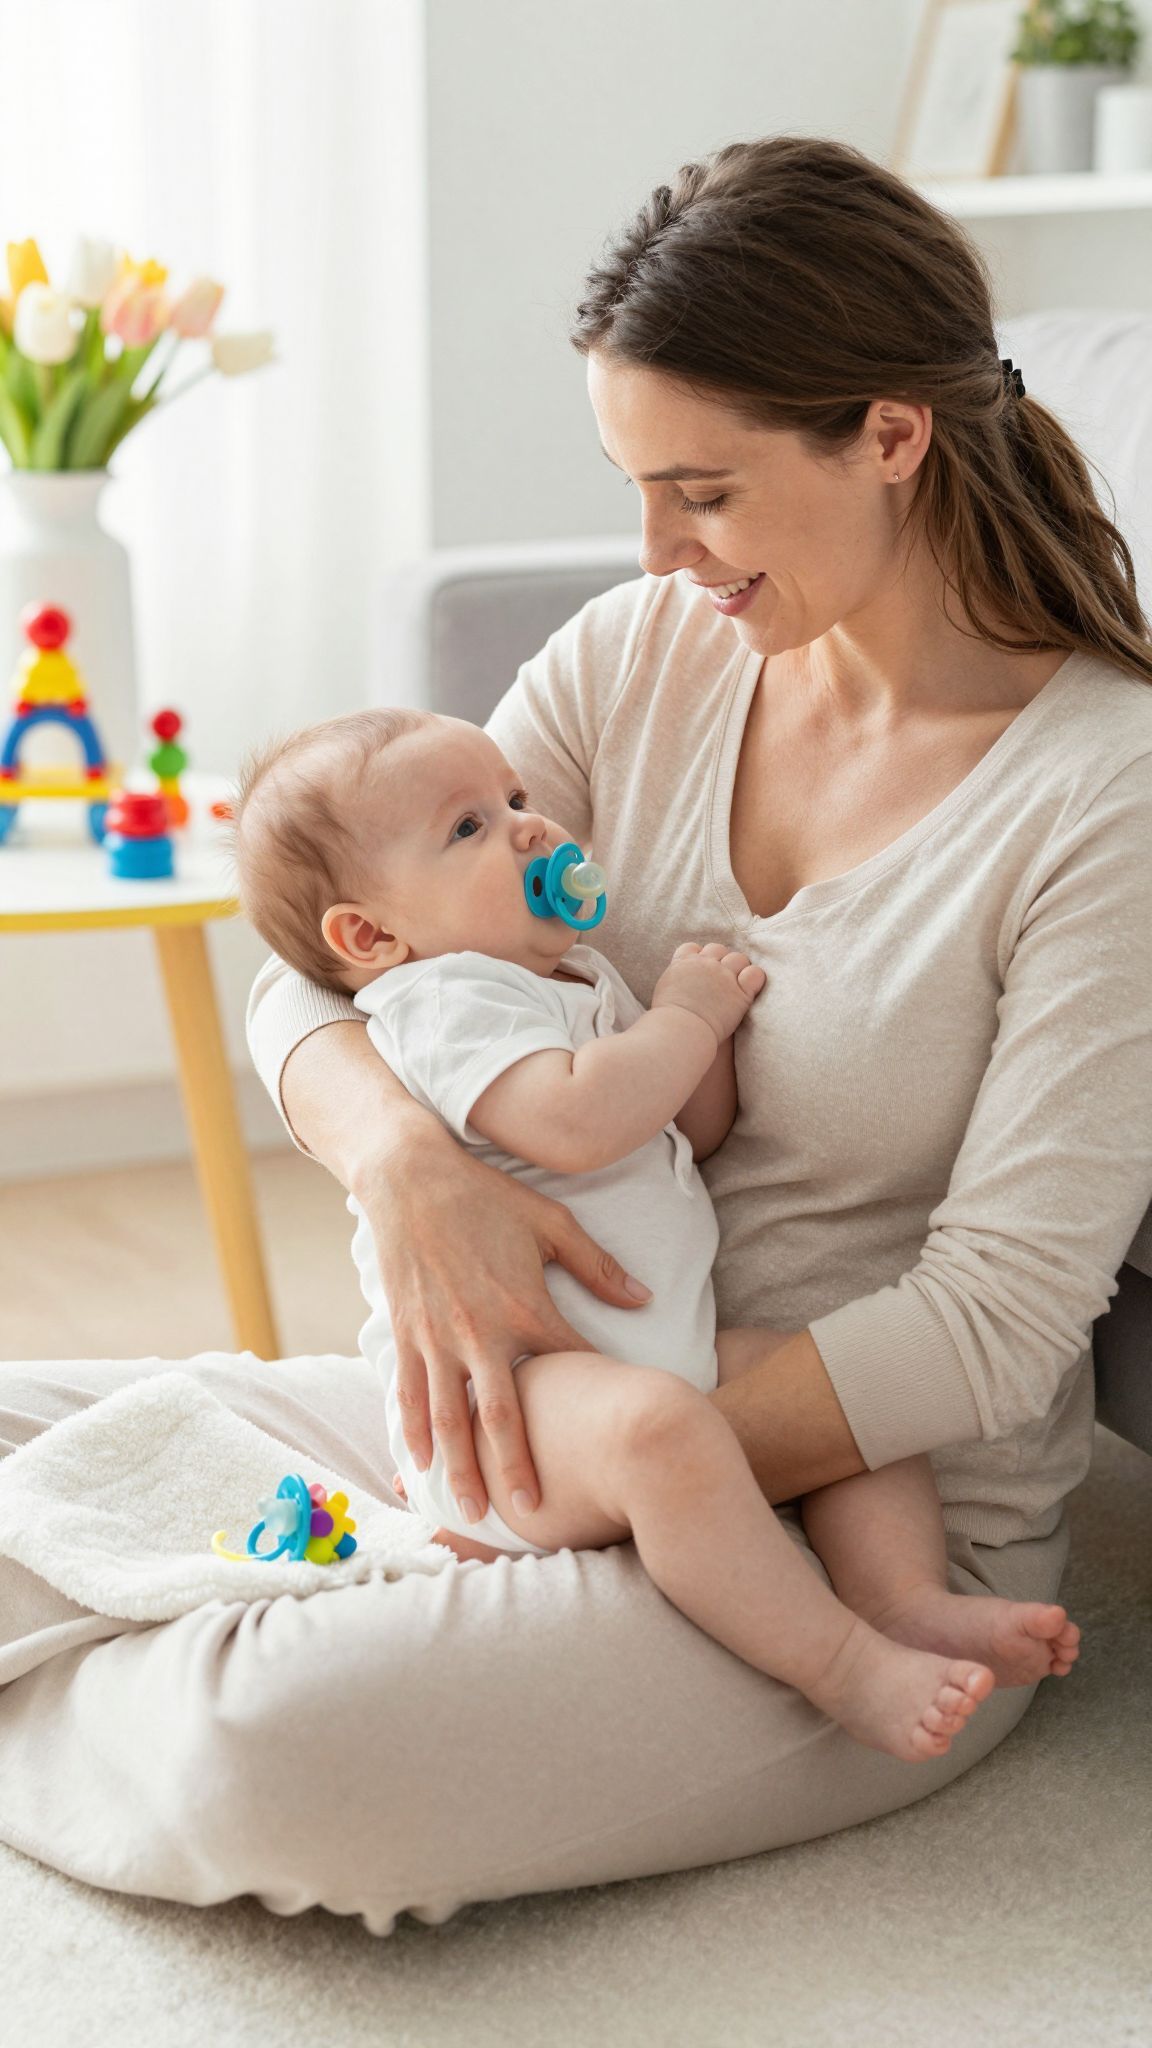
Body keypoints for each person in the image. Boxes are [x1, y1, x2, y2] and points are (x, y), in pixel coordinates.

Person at [2, 134, 1151, 1933]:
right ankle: (173, 1635)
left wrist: (623, 1462)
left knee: (266, 1749)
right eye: (634, 489)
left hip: (845, 1533)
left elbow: (1000, 1317)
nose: (654, 552)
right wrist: (401, 1166)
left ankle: (167, 1652)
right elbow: (324, 956)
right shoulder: (645, 657)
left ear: (889, 436)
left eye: (699, 491)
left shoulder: (1104, 791)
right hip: (523, 1409)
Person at [228, 703, 1079, 1763]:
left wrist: (689, 1045)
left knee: (856, 1409)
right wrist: (688, 1016)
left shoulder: (570, 978)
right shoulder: (442, 1000)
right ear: (370, 937)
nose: (529, 826)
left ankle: (901, 1598)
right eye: (469, 827)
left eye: (516, 798)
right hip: (522, 1404)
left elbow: (688, 1128)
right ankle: (841, 1666)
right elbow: (577, 1121)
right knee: (661, 1435)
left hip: (653, 1352)